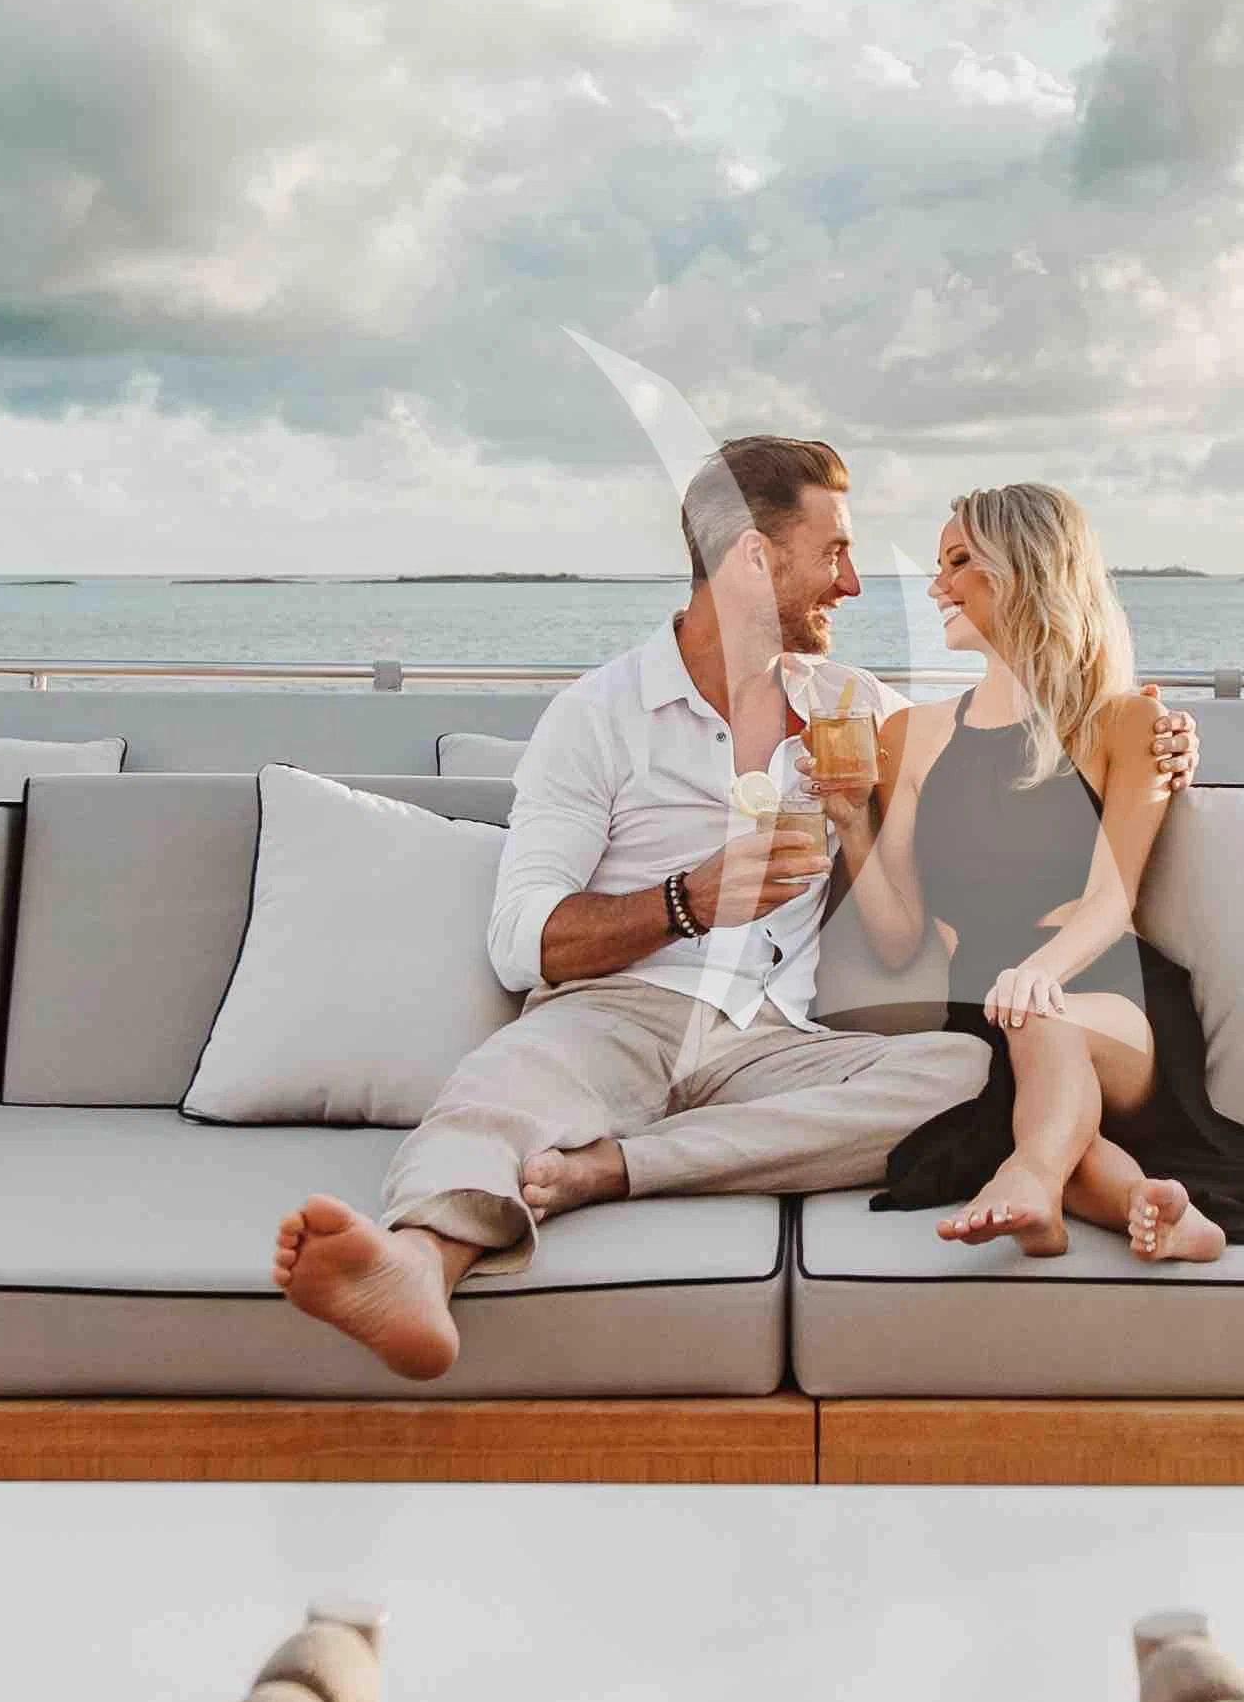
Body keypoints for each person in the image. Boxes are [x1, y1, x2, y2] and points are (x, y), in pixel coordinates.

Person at [269, 436, 1194, 1382]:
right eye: (833, 553)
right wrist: (686, 901)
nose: (854, 586)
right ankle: (418, 1262)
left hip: (787, 1033)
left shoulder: (851, 705)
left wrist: (1158, 735)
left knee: (963, 1075)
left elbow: (1010, 737)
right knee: (501, 1083)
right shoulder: (600, 716)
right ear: (752, 554)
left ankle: (622, 1166)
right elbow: (521, 941)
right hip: (624, 1013)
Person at [840, 482, 1223, 1261]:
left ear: (1024, 570)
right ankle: (1157, 1211)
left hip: (1106, 994)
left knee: (1039, 1024)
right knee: (1035, 1100)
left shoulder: (1127, 721)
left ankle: (1029, 1181)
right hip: (981, 1012)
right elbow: (896, 935)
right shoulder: (905, 736)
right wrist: (850, 820)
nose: (935, 584)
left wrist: (1036, 976)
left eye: (957, 562)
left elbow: (1112, 903)